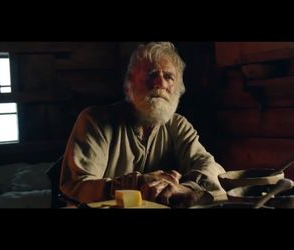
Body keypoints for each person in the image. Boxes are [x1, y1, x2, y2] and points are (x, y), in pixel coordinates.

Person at [59, 42, 226, 208]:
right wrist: (138, 183)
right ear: (129, 84)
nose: (159, 83)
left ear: (178, 88)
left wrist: (185, 188)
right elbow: (76, 186)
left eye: (168, 76)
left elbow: (213, 170)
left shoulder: (178, 125)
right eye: (152, 74)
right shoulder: (95, 121)